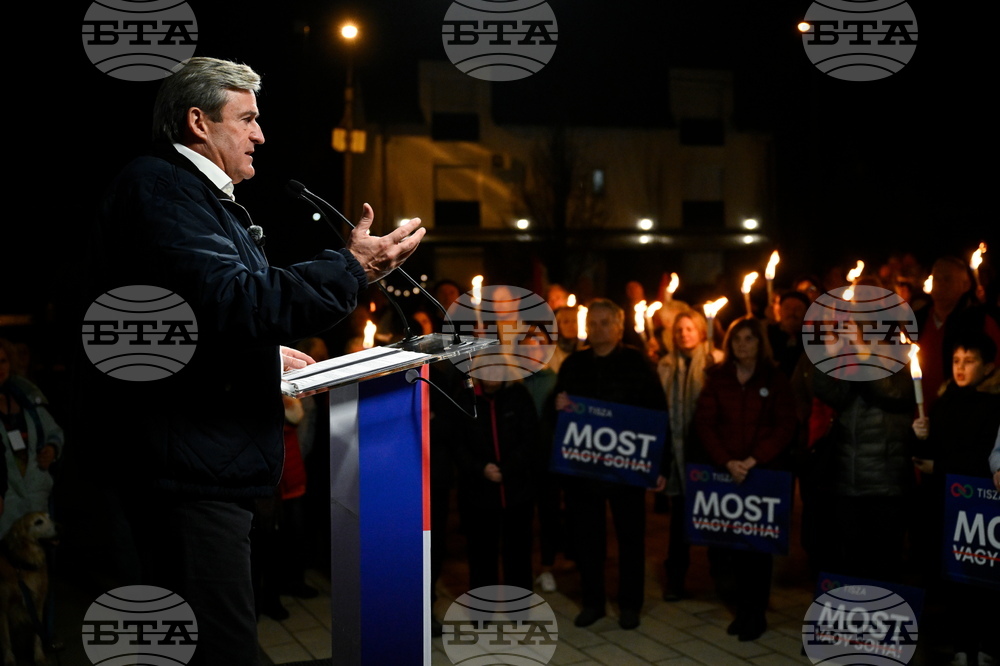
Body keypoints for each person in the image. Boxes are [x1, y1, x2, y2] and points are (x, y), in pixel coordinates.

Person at [84, 57, 423, 665]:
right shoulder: (163, 189)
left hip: (200, 458)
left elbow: (200, 320)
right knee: (222, 650)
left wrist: (266, 361)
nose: (261, 135)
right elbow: (230, 302)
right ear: (199, 122)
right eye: (246, 119)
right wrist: (350, 267)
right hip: (187, 471)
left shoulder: (190, 196)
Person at [554, 299, 668, 630]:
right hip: (584, 470)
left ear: (619, 328)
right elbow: (560, 410)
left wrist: (660, 465)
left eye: (605, 322)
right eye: (593, 322)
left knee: (630, 538)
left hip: (626, 467)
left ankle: (630, 604)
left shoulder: (636, 363)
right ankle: (593, 602)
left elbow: (657, 413)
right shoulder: (574, 364)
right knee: (588, 539)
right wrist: (558, 404)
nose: (597, 328)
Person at [694, 317, 796, 642]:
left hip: (762, 474)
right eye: (736, 339)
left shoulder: (776, 379)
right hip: (727, 474)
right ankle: (741, 609)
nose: (742, 345)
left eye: (749, 339)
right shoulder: (718, 378)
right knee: (732, 547)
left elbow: (785, 426)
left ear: (759, 343)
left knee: (758, 548)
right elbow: (705, 423)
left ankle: (757, 613)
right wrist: (726, 461)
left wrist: (754, 460)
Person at [910, 332, 1000, 665]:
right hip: (942, 503)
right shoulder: (944, 400)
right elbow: (928, 451)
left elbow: (985, 457)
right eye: (956, 361)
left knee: (984, 580)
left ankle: (988, 645)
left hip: (979, 507)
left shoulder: (994, 405)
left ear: (988, 367)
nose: (961, 368)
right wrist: (920, 437)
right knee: (954, 579)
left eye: (970, 360)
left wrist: (939, 466)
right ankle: (961, 645)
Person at [656, 309, 723, 601]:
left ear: (701, 332)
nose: (684, 334)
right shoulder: (666, 365)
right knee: (680, 521)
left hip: (706, 453)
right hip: (678, 455)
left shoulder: (715, 361)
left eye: (689, 329)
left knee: (714, 518)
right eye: (679, 330)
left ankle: (721, 576)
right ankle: (676, 579)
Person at [0, 338, 64, 540]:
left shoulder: (25, 398)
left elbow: (54, 431)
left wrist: (52, 449)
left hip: (35, 496)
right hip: (6, 500)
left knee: (37, 562)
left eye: (2, 361)